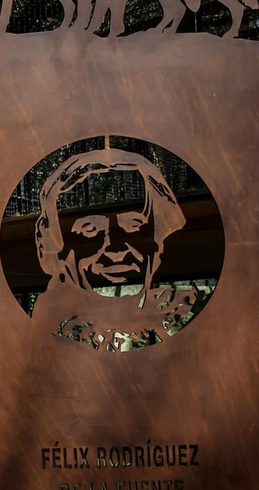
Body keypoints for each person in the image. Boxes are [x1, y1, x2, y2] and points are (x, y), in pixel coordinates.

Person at [30, 147, 197, 350]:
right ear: (56, 247)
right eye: (90, 229)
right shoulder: (44, 340)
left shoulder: (181, 319)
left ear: (158, 242)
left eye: (134, 225)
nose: (115, 248)